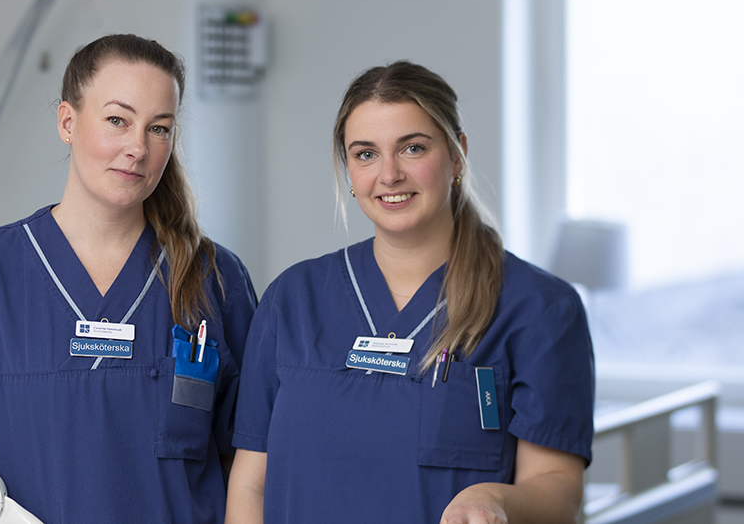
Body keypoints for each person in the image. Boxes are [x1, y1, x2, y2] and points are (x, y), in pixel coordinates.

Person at [0, 34, 257, 524]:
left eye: (159, 129)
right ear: (67, 121)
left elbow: (249, 469)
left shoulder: (213, 277)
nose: (138, 149)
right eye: (117, 121)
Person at [226, 61, 593, 524]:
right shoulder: (292, 300)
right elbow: (250, 484)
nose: (390, 174)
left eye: (413, 148)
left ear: (457, 155)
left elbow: (558, 488)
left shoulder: (537, 309)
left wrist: (493, 501)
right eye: (365, 154)